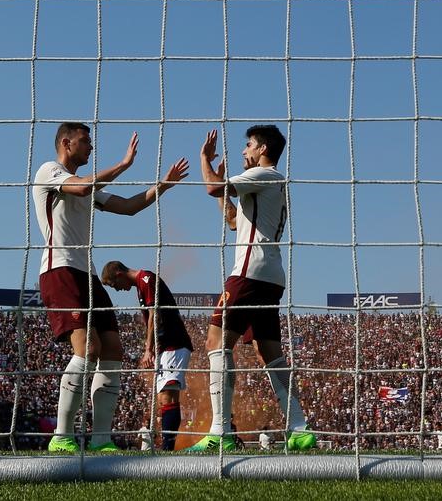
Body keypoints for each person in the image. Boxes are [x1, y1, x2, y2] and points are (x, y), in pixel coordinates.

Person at [33, 122, 189, 452]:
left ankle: (101, 438)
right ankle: (62, 436)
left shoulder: (88, 187)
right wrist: (122, 165)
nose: (90, 147)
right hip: (59, 270)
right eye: (85, 142)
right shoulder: (50, 171)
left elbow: (129, 207)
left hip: (86, 274)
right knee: (87, 350)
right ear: (66, 142)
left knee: (113, 351)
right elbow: (80, 188)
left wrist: (164, 185)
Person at [186, 125, 316, 452]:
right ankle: (299, 427)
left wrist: (204, 161)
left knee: (216, 340)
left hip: (249, 271)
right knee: (268, 351)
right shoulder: (266, 183)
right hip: (270, 275)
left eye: (248, 145)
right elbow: (233, 221)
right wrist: (221, 185)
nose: (244, 151)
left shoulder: (265, 174)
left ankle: (220, 432)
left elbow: (213, 189)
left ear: (262, 149)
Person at [101, 261, 193, 450]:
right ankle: (168, 447)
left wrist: (148, 348)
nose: (117, 290)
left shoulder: (146, 279)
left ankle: (168, 448)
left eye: (113, 285)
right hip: (165, 347)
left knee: (168, 396)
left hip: (172, 344)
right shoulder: (141, 285)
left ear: (118, 273)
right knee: (164, 399)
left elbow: (154, 314)